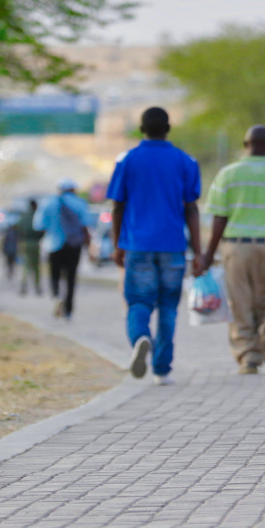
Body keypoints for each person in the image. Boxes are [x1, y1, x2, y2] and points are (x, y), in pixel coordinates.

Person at [108, 107, 202, 385]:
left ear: (141, 129)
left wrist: (117, 246)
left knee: (138, 301)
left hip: (137, 245)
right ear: (168, 128)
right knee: (168, 308)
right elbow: (192, 209)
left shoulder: (128, 161)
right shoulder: (185, 161)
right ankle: (162, 370)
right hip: (173, 246)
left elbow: (117, 206)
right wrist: (199, 252)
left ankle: (140, 339)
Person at [201, 125, 265, 375]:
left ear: (246, 145)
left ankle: (249, 358)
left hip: (237, 247)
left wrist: (209, 254)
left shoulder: (228, 174)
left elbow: (219, 219)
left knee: (240, 303)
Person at [35, 178, 92, 320]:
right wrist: (89, 246)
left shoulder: (48, 202)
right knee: (71, 277)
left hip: (53, 245)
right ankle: (68, 310)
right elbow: (86, 225)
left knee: (54, 275)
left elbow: (39, 225)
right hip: (73, 245)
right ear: (73, 189)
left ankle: (55, 297)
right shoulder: (80, 203)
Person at [17, 199, 45, 296]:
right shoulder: (38, 216)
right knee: (36, 266)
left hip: (25, 243)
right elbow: (43, 229)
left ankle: (24, 285)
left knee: (26, 265)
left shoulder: (24, 217)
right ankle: (37, 287)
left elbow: (18, 229)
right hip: (36, 243)